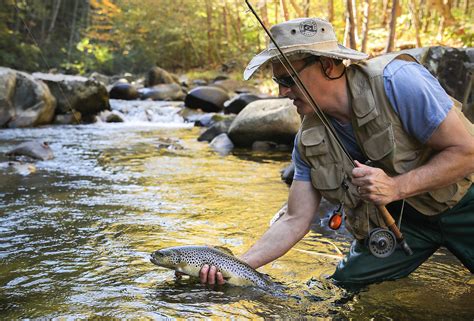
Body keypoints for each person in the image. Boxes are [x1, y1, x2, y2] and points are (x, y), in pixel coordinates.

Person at [199, 18, 474, 288]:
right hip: (401, 224)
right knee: (342, 289)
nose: (282, 91)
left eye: (288, 79)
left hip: (465, 202)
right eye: (277, 81)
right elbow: (294, 219)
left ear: (327, 65)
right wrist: (234, 266)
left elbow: (467, 152)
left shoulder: (397, 82)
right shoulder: (307, 140)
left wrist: (395, 187)